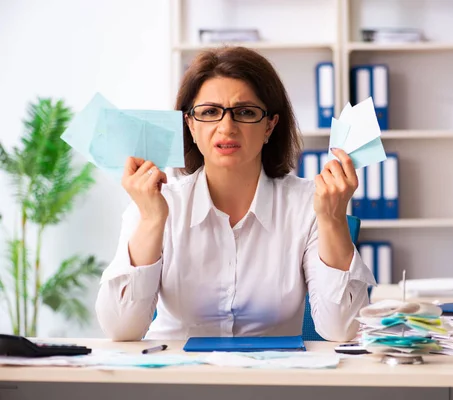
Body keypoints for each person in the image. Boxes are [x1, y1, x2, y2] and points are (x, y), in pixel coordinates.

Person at [95, 46, 376, 342]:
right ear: (189, 125)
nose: (226, 127)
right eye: (209, 112)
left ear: (269, 125)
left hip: (274, 379)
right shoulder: (157, 203)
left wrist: (332, 219)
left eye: (245, 112)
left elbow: (344, 330)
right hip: (176, 378)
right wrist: (152, 219)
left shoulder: (308, 204)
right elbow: (120, 329)